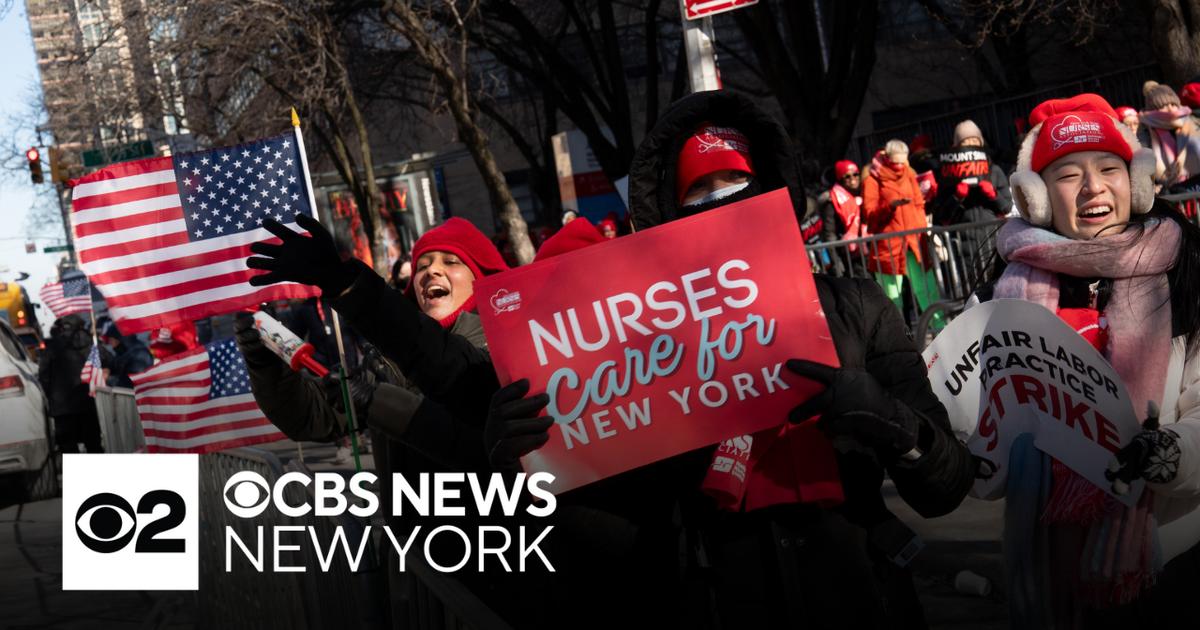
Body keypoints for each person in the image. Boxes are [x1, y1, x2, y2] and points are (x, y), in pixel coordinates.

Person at [496, 91, 974, 627]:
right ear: (673, 214)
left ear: (770, 190)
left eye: (736, 181)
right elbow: (622, 534)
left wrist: (894, 422)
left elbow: (948, 488)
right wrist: (535, 470)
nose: (720, 199)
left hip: (865, 599)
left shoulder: (857, 307)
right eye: (699, 188)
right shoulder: (643, 348)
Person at [970, 93, 1200, 626]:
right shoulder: (998, 301)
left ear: (1136, 181)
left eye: (1108, 169)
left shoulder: (1189, 280)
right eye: (1069, 174)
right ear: (1038, 197)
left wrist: (1166, 454)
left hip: (1171, 559)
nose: (1094, 188)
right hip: (1054, 573)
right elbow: (989, 454)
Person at [864, 139, 945, 328]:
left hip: (914, 242)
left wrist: (921, 230)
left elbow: (918, 205)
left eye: (904, 162)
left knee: (928, 290)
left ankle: (941, 332)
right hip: (888, 245)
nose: (900, 166)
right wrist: (889, 207)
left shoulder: (909, 174)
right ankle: (899, 342)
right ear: (886, 158)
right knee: (893, 298)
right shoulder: (872, 180)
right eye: (896, 163)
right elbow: (869, 213)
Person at [930, 119, 1013, 286]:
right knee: (971, 292)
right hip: (963, 248)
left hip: (993, 243)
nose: (970, 147)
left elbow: (1007, 207)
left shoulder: (994, 170)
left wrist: (992, 194)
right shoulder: (948, 176)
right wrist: (956, 197)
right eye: (965, 143)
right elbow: (940, 214)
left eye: (974, 142)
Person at [38, 314, 104, 453]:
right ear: (81, 326)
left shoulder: (53, 345)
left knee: (68, 447)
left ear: (62, 328)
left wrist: (50, 396)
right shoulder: (92, 343)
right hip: (90, 402)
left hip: (63, 407)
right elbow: (108, 361)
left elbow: (44, 375)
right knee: (93, 443)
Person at [1137, 80, 1200, 189]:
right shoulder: (1146, 131)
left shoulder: (1191, 121)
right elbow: (1145, 167)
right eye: (1164, 106)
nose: (1170, 109)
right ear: (1153, 111)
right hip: (1175, 189)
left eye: (1173, 104)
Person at [817, 159, 868, 277]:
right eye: (847, 176)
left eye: (855, 174)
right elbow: (829, 234)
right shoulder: (832, 201)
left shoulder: (864, 192)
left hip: (869, 251)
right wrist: (836, 262)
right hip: (850, 258)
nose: (852, 178)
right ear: (841, 178)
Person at [100, 321, 153, 388]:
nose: (109, 342)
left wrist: (108, 379)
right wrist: (108, 369)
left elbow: (134, 380)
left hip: (138, 395)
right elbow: (115, 363)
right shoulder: (122, 350)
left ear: (120, 339)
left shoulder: (140, 353)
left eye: (111, 340)